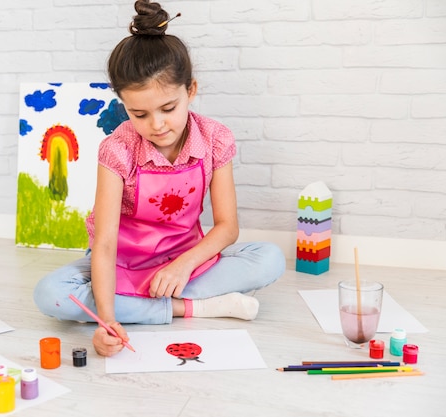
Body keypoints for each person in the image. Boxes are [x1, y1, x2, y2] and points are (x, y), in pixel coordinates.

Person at [33, 0, 285, 357]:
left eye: (168, 108)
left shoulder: (215, 139)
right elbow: (104, 244)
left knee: (270, 258)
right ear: (123, 104)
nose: (157, 125)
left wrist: (183, 265)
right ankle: (195, 307)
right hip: (123, 260)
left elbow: (228, 228)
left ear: (190, 91)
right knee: (50, 294)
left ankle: (150, 301)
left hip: (185, 256)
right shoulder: (116, 150)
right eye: (139, 114)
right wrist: (107, 320)